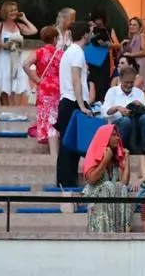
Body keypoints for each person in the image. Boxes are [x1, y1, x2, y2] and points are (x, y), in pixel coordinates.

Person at [55, 21, 93, 188]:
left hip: (67, 101)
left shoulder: (69, 51)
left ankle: (65, 180)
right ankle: (67, 181)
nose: (92, 34)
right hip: (73, 102)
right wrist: (82, 106)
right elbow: (76, 79)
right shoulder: (77, 52)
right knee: (70, 146)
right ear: (85, 34)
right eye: (90, 32)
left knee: (67, 144)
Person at [83, 124, 132, 233]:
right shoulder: (92, 155)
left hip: (113, 203)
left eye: (117, 135)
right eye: (114, 135)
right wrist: (105, 161)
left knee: (121, 187)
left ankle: (123, 229)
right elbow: (91, 179)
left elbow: (124, 183)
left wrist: (127, 161)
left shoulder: (114, 159)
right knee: (108, 185)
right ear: (104, 138)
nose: (118, 138)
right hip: (98, 203)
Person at [23, 26, 62, 158]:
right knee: (55, 117)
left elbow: (25, 64)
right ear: (55, 38)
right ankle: (56, 149)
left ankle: (51, 147)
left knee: (46, 116)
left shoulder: (39, 52)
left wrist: (37, 80)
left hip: (44, 88)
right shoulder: (60, 53)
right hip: (58, 88)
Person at [0, 1, 38, 105]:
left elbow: (33, 30)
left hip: (16, 58)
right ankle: (5, 108)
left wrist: (24, 19)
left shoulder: (18, 25)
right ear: (5, 12)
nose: (14, 12)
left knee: (15, 85)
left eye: (15, 10)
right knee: (4, 85)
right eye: (11, 10)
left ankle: (13, 109)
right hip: (4, 59)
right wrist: (4, 45)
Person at [101, 66, 145, 154]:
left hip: (136, 124)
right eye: (126, 82)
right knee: (126, 121)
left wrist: (141, 105)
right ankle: (119, 150)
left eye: (131, 82)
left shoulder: (139, 92)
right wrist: (117, 108)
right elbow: (104, 112)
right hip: (118, 125)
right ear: (120, 79)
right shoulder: (112, 91)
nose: (129, 85)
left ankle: (144, 148)